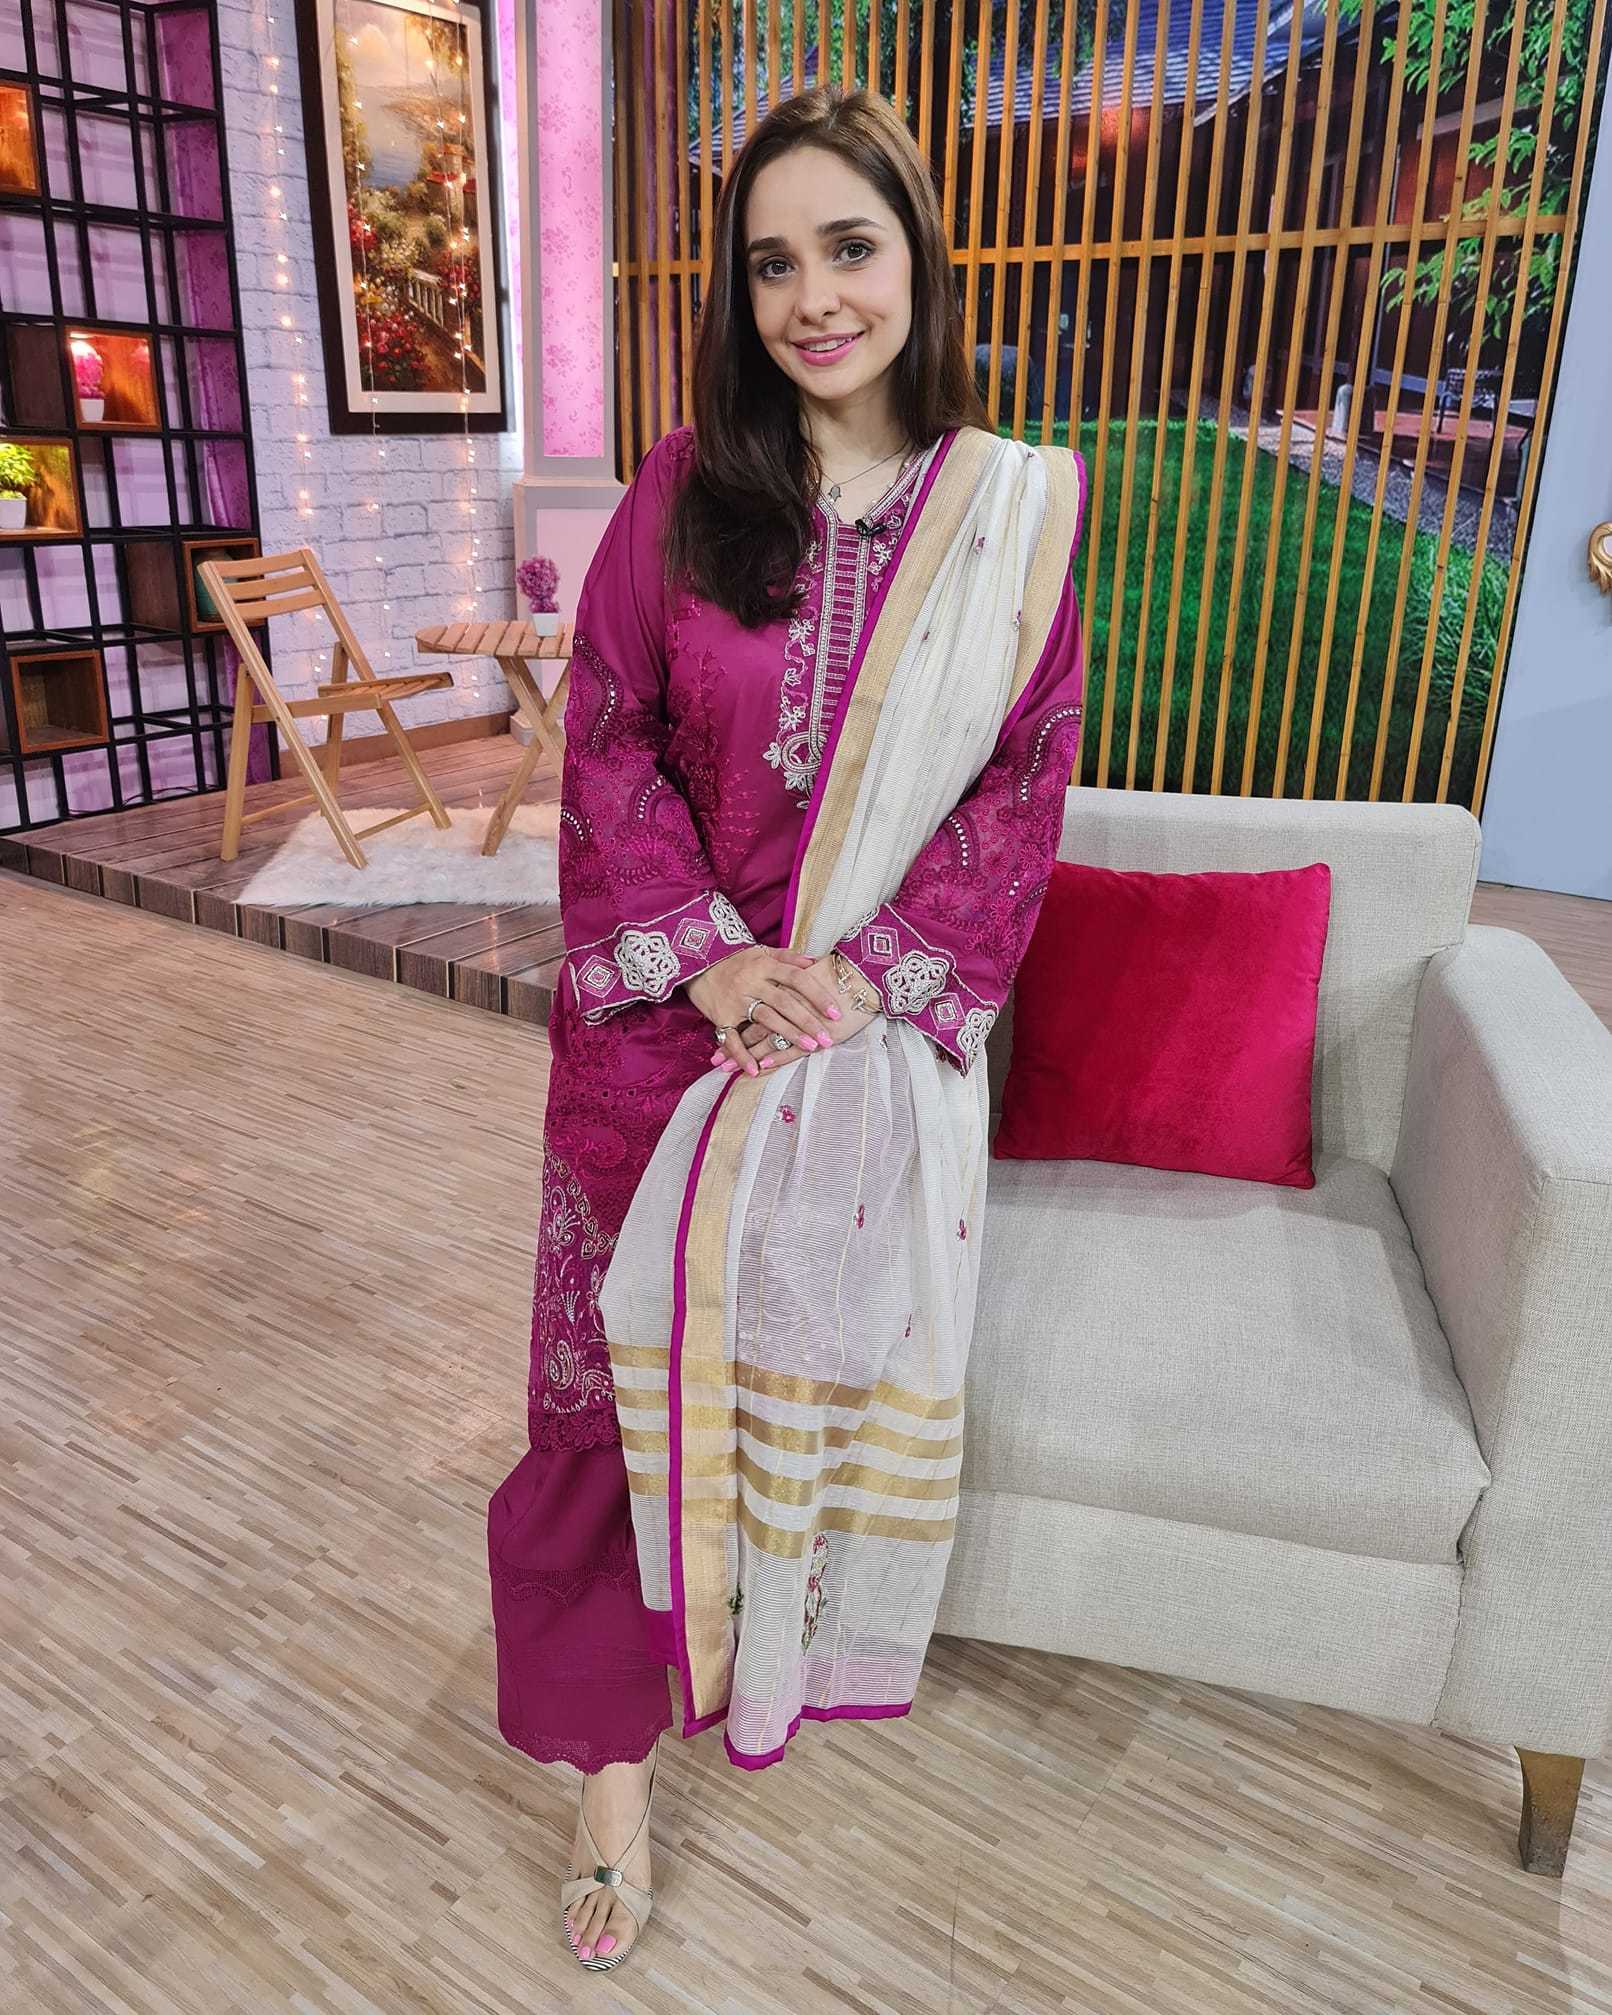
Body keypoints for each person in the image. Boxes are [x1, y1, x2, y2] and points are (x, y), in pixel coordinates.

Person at [485, 83, 1088, 1976]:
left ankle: (748, 1666)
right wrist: (710, 962)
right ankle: (609, 1787)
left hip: (849, 1055)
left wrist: (867, 978)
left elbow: (1023, 781)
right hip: (664, 1044)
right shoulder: (685, 489)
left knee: (775, 1402)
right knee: (607, 1416)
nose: (814, 299)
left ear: (918, 257)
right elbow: (603, 734)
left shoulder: (1011, 517)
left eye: (850, 247)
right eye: (772, 264)